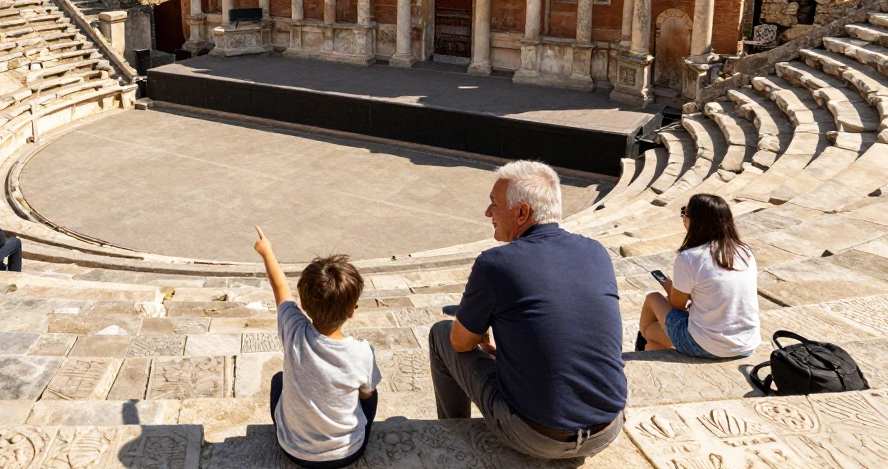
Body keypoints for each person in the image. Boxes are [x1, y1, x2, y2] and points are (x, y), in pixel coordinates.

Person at [429, 160, 626, 460]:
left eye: (494, 204)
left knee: (442, 334)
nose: (487, 212)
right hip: (608, 428)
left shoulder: (495, 264)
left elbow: (460, 342)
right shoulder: (596, 251)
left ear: (522, 212)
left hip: (537, 436)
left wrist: (477, 327)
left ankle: (454, 434)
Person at [253, 227, 380, 468]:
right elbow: (366, 395)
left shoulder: (293, 331)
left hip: (293, 450)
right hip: (349, 453)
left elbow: (279, 288)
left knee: (279, 380)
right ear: (352, 310)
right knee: (370, 389)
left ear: (302, 303)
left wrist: (266, 251)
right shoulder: (362, 352)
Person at [637, 194, 760, 359]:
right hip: (747, 343)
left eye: (685, 213)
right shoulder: (745, 252)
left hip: (708, 346)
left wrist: (669, 285)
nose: (683, 217)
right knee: (653, 345)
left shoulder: (690, 257)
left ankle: (640, 347)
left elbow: (677, 304)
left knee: (653, 303)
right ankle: (648, 349)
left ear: (695, 221)